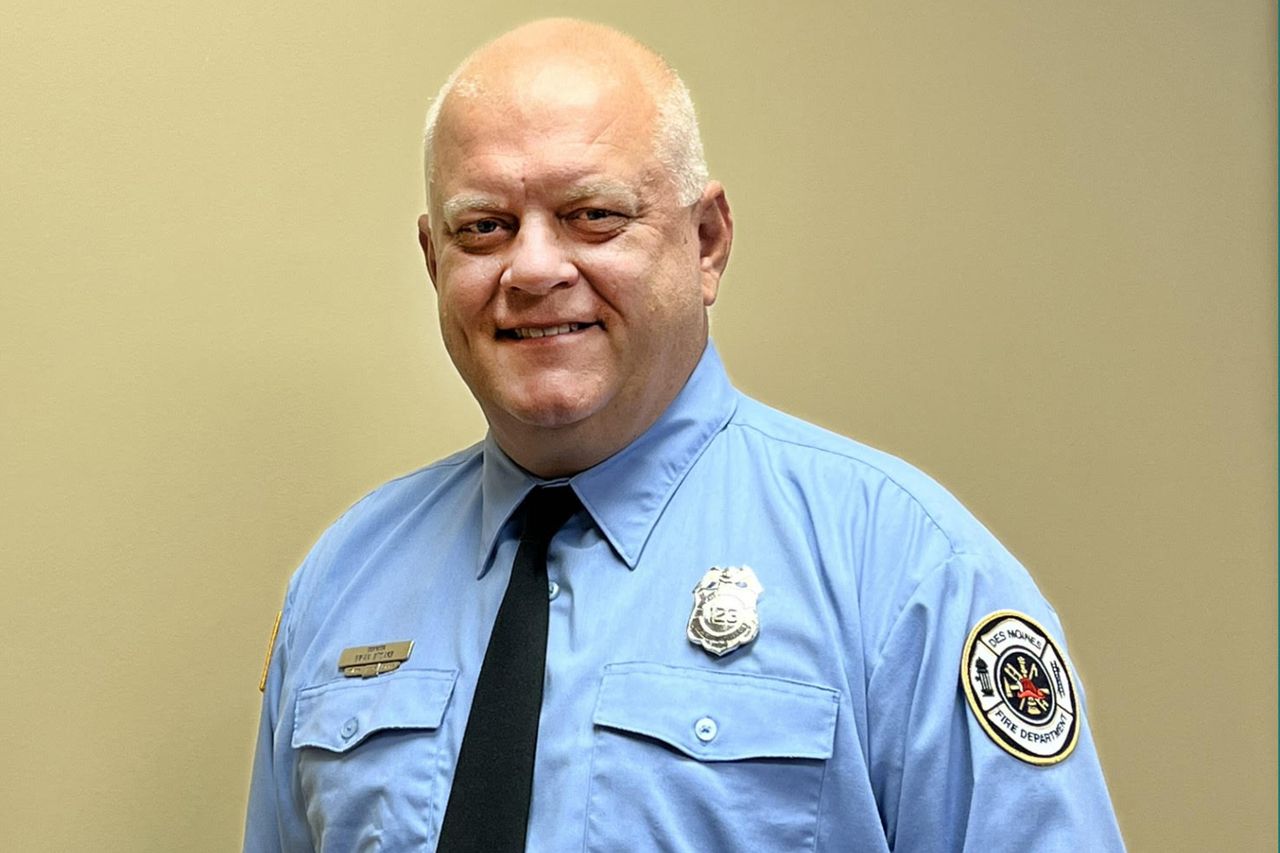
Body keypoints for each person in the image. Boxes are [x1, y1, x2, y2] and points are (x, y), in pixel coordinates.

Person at [245, 18, 1125, 852]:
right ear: (434, 259)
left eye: (593, 214)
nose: (535, 268)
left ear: (707, 242)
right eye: (485, 227)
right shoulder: (344, 581)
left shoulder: (903, 574)